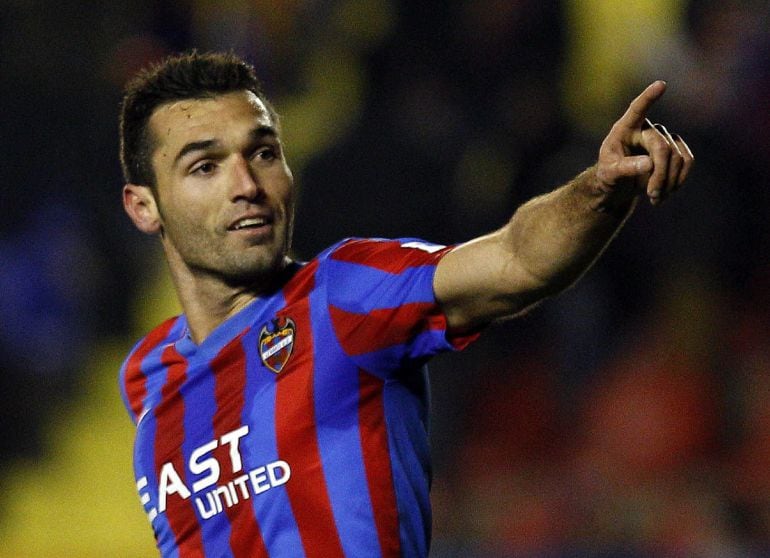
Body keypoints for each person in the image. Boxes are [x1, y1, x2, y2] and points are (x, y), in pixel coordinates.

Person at [118, 51, 693, 558]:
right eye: (205, 166)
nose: (246, 183)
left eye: (264, 153)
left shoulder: (344, 295)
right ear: (145, 207)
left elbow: (518, 260)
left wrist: (600, 186)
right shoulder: (147, 378)